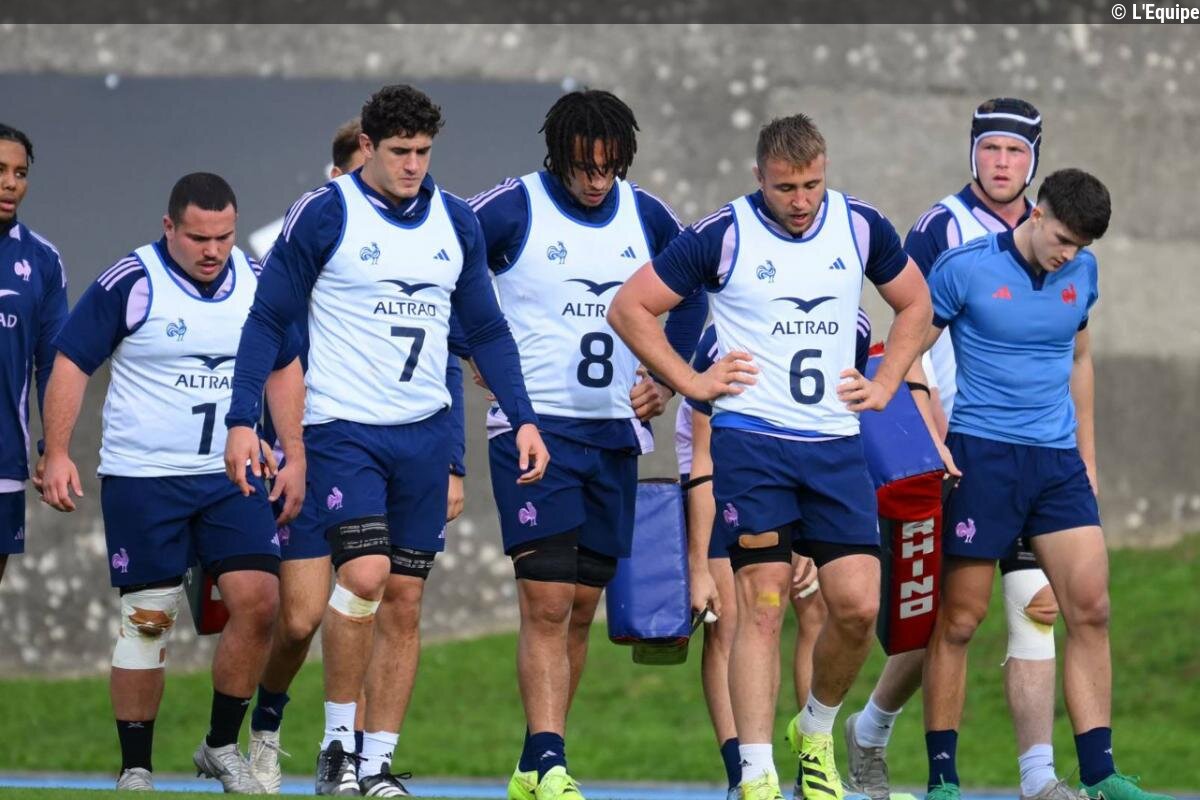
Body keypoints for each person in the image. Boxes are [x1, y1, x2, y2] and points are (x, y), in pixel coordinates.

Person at [224, 83, 549, 798]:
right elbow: (268, 320)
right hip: (343, 429)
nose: (412, 165)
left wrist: (524, 416)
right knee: (365, 577)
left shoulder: (455, 221)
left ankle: (376, 765)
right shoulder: (325, 212)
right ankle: (336, 746)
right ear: (366, 146)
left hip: (424, 433)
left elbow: (486, 329)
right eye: (399, 151)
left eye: (423, 151)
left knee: (403, 599)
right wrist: (242, 419)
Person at [608, 113, 932, 800]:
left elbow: (916, 303)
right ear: (760, 177)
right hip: (754, 443)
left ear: (825, 171)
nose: (801, 200)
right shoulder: (723, 233)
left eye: (812, 185)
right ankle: (756, 773)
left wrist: (886, 384)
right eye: (786, 188)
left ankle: (814, 731)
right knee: (761, 600)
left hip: (835, 445)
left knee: (857, 606)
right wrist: (691, 381)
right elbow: (631, 306)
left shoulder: (859, 225)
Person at [468, 88, 705, 800]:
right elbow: (443, 264)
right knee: (545, 601)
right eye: (583, 167)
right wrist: (471, 347)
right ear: (559, 156)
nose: (597, 180)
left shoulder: (648, 215)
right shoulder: (514, 207)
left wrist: (666, 378)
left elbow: (693, 291)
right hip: (534, 432)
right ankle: (551, 764)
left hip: (614, 435)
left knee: (577, 606)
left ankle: (536, 760)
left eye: (608, 167)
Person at [39, 173, 304, 794]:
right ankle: (136, 767)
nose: (212, 250)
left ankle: (220, 746)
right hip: (145, 477)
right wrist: (57, 452)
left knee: (260, 602)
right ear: (169, 227)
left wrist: (295, 453)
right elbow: (71, 362)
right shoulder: (132, 281)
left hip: (231, 474)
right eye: (198, 238)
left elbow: (286, 366)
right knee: (149, 619)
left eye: (224, 237)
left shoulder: (258, 282)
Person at [844, 97, 1072, 800]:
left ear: (1034, 159)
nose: (1001, 163)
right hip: (952, 450)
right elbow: (905, 330)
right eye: (990, 149)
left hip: (1030, 450)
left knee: (1036, 605)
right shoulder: (939, 227)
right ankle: (871, 731)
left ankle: (1039, 779)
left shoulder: (1053, 231)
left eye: (1015, 151)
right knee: (949, 618)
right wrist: (925, 425)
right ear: (973, 152)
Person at [920, 168, 1170, 800]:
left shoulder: (1083, 272)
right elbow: (907, 352)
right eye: (1062, 239)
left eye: (1081, 246)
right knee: (961, 620)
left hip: (1057, 463)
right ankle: (943, 779)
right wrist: (927, 435)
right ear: (1036, 214)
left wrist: (1088, 455)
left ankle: (1100, 774)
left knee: (1091, 608)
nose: (1068, 254)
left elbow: (1080, 359)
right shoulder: (965, 267)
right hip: (982, 456)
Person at [243, 117, 470, 795]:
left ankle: (359, 760)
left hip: (386, 449)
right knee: (300, 618)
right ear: (341, 172)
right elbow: (270, 344)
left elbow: (441, 355)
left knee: (377, 588)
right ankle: (268, 723)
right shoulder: (311, 237)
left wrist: (454, 460)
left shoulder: (415, 242)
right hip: (314, 447)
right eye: (348, 173)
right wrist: (273, 442)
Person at [681, 312, 870, 800]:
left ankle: (813, 761)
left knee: (823, 608)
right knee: (742, 613)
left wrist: (808, 536)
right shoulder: (724, 336)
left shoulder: (850, 323)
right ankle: (745, 772)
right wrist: (698, 565)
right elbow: (703, 458)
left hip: (808, 471)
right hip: (725, 476)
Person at [0, 123, 68, 586]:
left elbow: (53, 366)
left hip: (4, 459)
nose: (10, 183)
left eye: (20, 173)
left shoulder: (43, 260)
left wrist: (54, 449)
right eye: (0, 170)